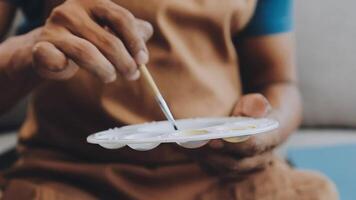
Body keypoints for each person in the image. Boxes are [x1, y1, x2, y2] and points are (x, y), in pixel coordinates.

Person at [0, 0, 338, 199]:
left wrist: (266, 132)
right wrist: (26, 52)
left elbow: (278, 81)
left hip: (221, 181)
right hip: (68, 180)